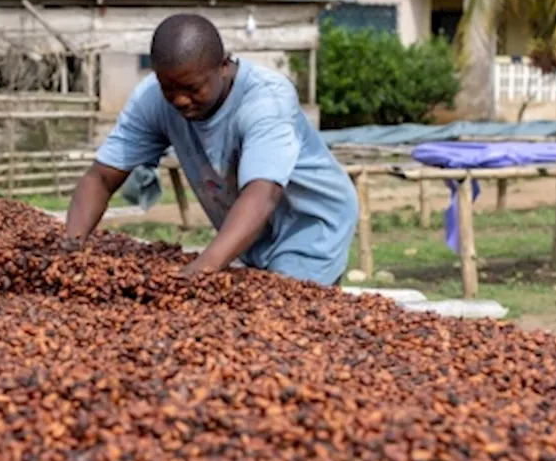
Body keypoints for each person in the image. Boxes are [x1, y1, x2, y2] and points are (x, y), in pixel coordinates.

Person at [63, 14, 357, 285]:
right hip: (253, 230)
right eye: (169, 88)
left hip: (309, 224)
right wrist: (69, 252)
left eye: (193, 89)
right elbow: (101, 178)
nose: (179, 100)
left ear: (223, 66)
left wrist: (198, 272)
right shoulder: (152, 99)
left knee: (286, 317)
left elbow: (262, 194)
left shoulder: (265, 101)